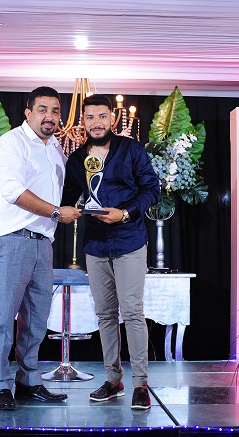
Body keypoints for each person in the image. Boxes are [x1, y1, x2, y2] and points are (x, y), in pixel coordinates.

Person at [0, 86, 82, 410]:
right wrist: (56, 212)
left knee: (36, 321)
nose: (49, 117)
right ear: (28, 113)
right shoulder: (11, 143)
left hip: (43, 242)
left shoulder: (56, 149)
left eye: (55, 111)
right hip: (11, 239)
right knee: (2, 318)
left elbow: (69, 191)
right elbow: (13, 191)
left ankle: (27, 381)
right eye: (42, 109)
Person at [62, 94, 160, 409]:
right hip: (95, 244)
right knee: (105, 314)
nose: (96, 122)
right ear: (83, 121)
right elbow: (67, 197)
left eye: (102, 116)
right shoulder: (76, 160)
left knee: (131, 312)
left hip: (130, 240)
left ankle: (140, 384)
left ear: (112, 119)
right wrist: (67, 209)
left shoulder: (132, 150)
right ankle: (113, 380)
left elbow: (152, 189)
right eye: (90, 117)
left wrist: (126, 213)